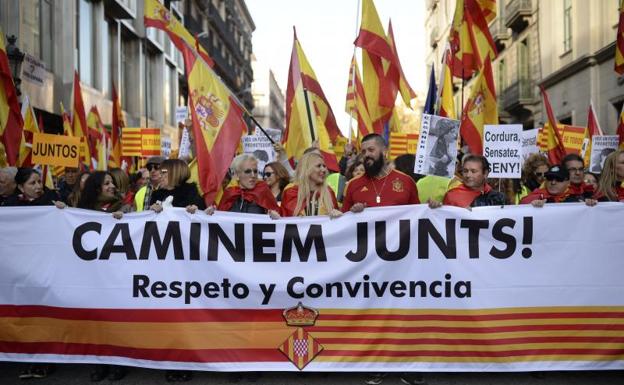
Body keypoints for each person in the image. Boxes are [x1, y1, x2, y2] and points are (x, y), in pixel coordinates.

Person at [342, 133, 419, 213]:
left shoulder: (407, 181)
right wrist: (354, 213)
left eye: (371, 150)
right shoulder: (352, 185)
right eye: (363, 152)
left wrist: (431, 208)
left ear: (384, 151)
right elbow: (344, 220)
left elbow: (418, 216)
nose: (366, 154)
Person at [277, 152, 341, 218]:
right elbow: (284, 220)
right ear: (307, 168)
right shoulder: (291, 191)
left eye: (324, 166)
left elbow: (337, 223)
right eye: (319, 166)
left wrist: (337, 215)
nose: (324, 169)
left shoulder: (329, 191)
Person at [212, 154, 279, 214]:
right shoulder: (230, 193)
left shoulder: (263, 191)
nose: (253, 175)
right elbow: (219, 221)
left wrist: (275, 217)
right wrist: (210, 215)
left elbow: (280, 218)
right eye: (247, 171)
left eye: (255, 171)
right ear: (237, 175)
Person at [442, 155, 506, 208]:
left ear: (485, 174)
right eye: (465, 171)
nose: (468, 175)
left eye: (473, 171)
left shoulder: (496, 197)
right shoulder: (452, 196)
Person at [520, 165, 596, 206]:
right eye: (550, 178)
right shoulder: (538, 196)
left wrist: (590, 205)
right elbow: (521, 206)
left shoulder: (579, 198)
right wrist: (532, 206)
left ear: (568, 182)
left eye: (559, 179)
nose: (553, 182)